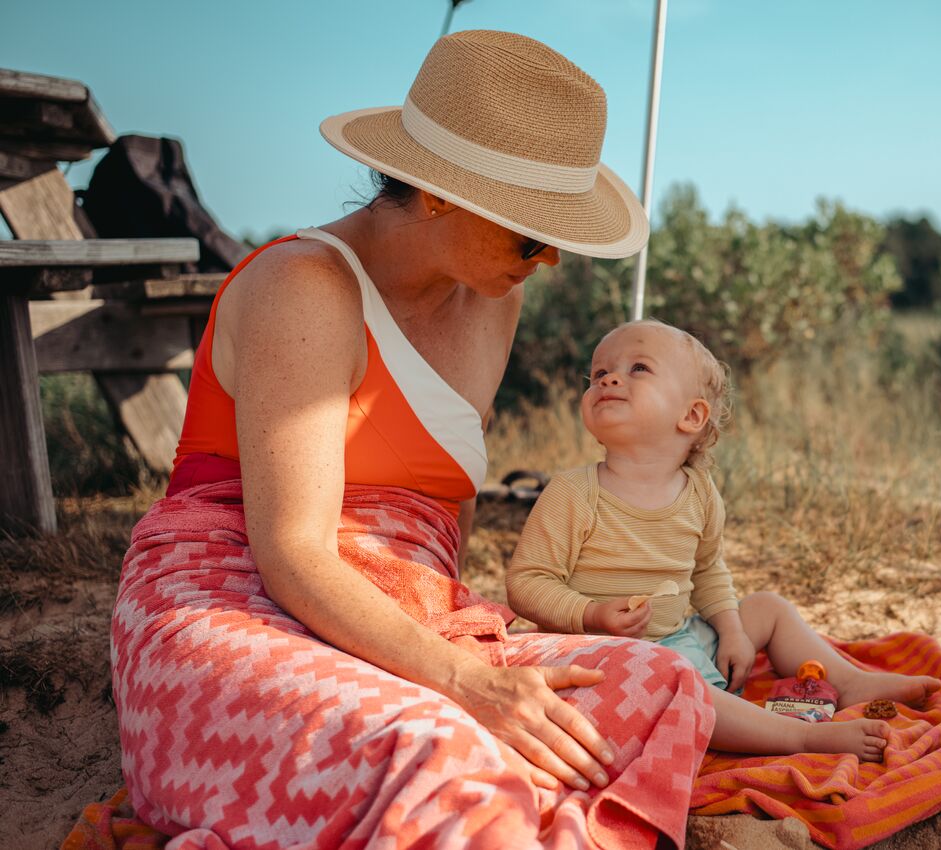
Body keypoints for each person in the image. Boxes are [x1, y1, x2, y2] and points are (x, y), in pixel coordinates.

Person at [110, 31, 715, 850]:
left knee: (668, 685)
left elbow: (444, 514)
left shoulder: (492, 294)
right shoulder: (305, 288)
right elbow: (292, 550)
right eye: (532, 236)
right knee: (439, 752)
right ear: (438, 194)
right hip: (238, 599)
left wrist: (459, 644)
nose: (552, 261)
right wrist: (463, 682)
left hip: (401, 614)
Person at [506, 320, 941, 760]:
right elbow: (527, 583)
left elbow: (708, 570)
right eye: (598, 374)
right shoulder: (574, 493)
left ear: (691, 416)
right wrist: (592, 613)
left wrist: (731, 630)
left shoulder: (699, 493)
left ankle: (847, 682)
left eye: (638, 368)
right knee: (680, 680)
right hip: (604, 659)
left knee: (767, 608)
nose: (609, 379)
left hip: (676, 638)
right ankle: (800, 737)